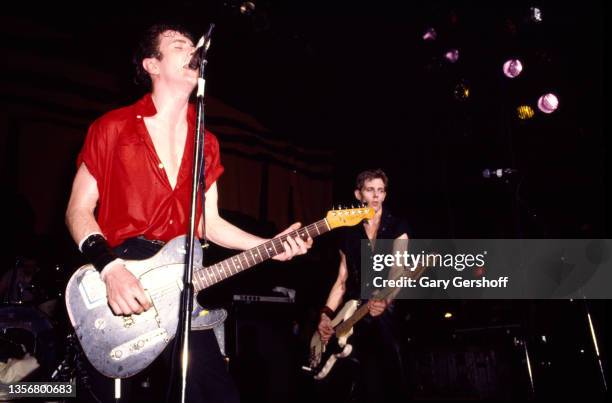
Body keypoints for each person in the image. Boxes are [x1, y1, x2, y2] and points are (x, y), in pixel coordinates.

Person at [65, 23, 313, 403]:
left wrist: (271, 244)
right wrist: (109, 268)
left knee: (216, 394)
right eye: (179, 45)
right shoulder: (112, 127)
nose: (192, 51)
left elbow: (207, 224)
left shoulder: (207, 142)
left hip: (182, 287)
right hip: (120, 276)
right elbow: (78, 210)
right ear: (152, 64)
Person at [317, 169, 409, 403]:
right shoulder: (348, 231)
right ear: (359, 194)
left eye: (381, 190)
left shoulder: (397, 226)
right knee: (357, 387)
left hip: (385, 313)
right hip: (354, 315)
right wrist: (326, 316)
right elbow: (341, 280)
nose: (376, 196)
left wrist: (386, 300)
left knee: (390, 383)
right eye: (370, 190)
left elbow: (399, 271)